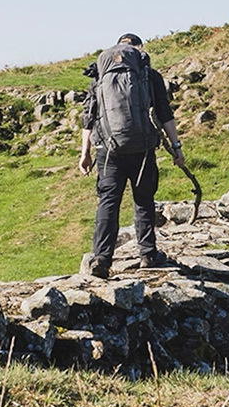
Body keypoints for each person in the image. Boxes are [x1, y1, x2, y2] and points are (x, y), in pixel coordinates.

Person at [77, 33, 187, 279]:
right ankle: (148, 254)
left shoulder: (100, 75)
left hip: (107, 150)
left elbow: (89, 115)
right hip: (143, 148)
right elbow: (164, 112)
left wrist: (85, 153)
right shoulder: (149, 75)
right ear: (139, 49)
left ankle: (101, 260)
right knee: (144, 200)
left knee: (108, 202)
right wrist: (176, 147)